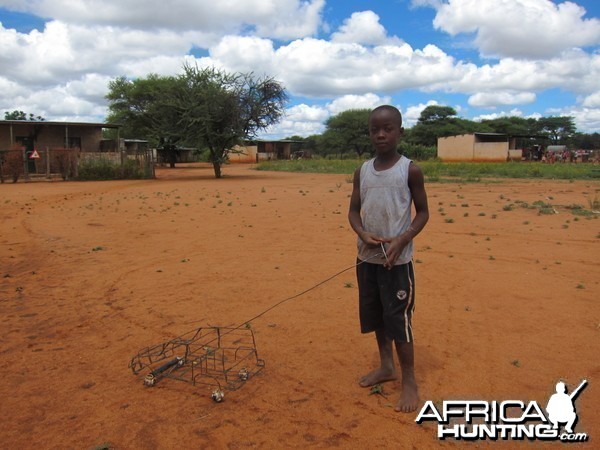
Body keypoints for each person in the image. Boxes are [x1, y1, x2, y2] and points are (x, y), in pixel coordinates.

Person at [348, 105, 429, 413]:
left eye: (388, 129)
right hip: (366, 258)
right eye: (374, 130)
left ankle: (409, 380)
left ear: (400, 131)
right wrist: (363, 233)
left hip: (397, 262)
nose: (380, 134)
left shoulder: (410, 169)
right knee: (376, 315)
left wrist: (402, 239)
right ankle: (386, 366)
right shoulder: (362, 170)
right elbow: (354, 212)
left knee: (399, 319)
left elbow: (423, 213)